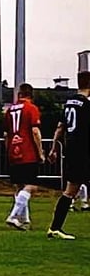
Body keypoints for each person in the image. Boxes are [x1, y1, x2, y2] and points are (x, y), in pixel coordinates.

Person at [46, 70, 90, 240]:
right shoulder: (86, 105)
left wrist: (54, 147)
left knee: (70, 190)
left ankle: (55, 228)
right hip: (84, 150)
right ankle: (55, 228)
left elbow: (60, 126)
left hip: (72, 150)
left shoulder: (69, 103)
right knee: (71, 190)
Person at [3, 82, 45, 230]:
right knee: (32, 185)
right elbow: (35, 131)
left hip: (13, 150)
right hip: (28, 151)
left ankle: (24, 219)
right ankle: (13, 216)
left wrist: (8, 151)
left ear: (19, 94)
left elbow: (6, 134)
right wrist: (40, 152)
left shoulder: (9, 110)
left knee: (20, 186)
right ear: (31, 95)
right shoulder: (31, 108)